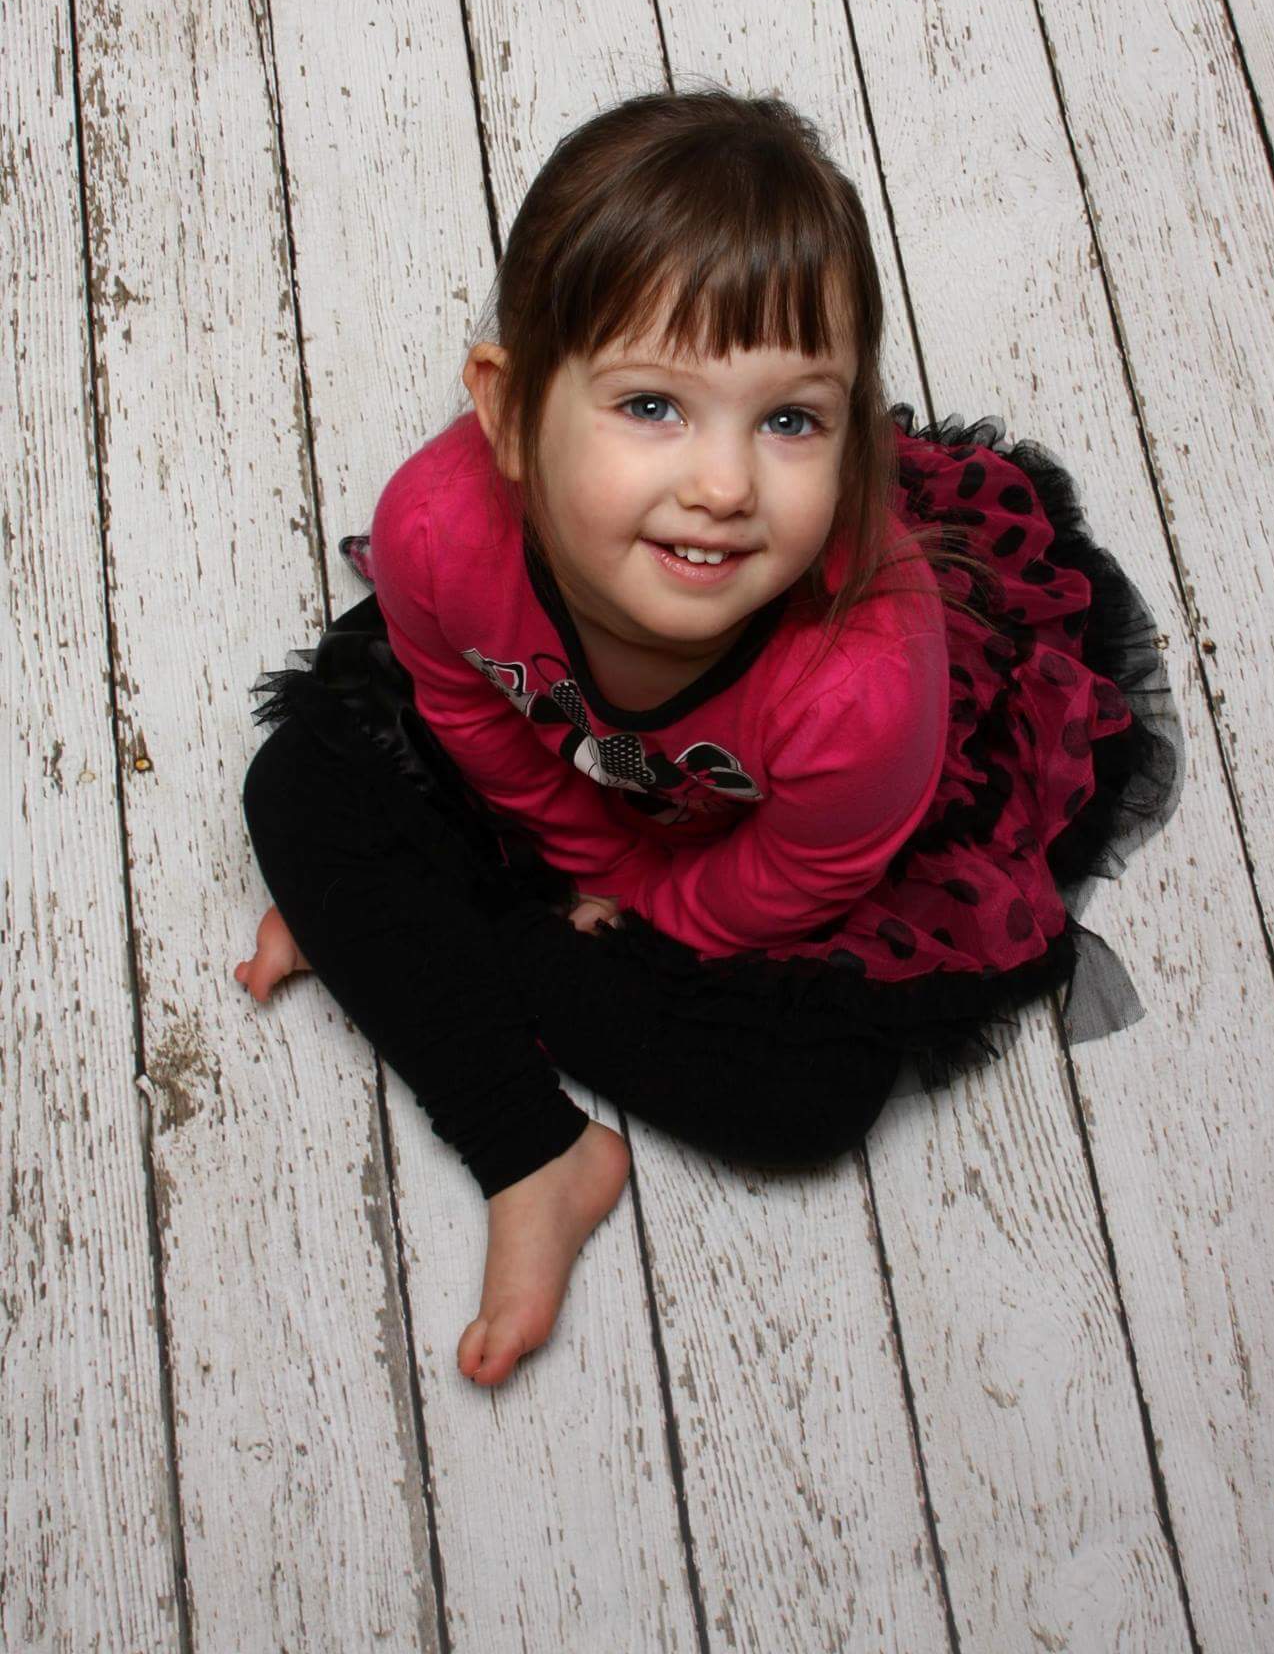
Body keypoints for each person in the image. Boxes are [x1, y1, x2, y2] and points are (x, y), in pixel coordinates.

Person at [236, 87, 1183, 1391]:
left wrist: (645, 906)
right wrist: (575, 850)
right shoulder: (441, 528)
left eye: (790, 420)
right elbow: (460, 703)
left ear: (848, 424)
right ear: (508, 410)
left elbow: (809, 867)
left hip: (758, 854)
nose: (726, 486)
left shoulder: (864, 677)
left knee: (798, 1106)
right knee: (293, 780)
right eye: (651, 407)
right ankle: (533, 1149)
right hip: (548, 742)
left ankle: (399, 934)